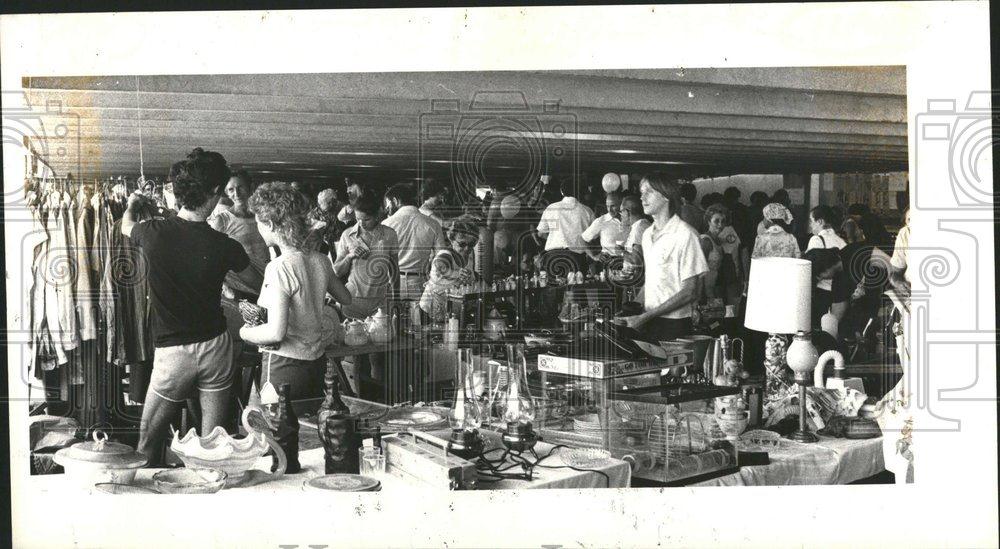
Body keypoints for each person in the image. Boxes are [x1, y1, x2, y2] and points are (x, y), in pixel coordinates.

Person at [123, 148, 250, 465]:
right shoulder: (225, 245)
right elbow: (255, 277)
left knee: (148, 441)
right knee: (214, 445)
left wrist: (133, 205)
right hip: (217, 348)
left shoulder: (149, 234)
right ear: (214, 193)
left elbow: (126, 225)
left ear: (178, 194)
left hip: (173, 354)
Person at [239, 183, 352, 400]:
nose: (258, 229)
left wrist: (244, 332)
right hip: (315, 362)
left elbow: (275, 332)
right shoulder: (320, 260)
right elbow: (346, 298)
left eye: (258, 224)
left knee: (279, 430)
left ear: (270, 224)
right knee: (310, 427)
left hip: (284, 365)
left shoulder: (279, 267)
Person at [616, 174, 708, 340]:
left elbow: (690, 291)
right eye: (641, 192)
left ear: (666, 196)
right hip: (649, 320)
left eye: (648, 192)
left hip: (674, 323)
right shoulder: (647, 235)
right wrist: (631, 310)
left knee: (674, 366)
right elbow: (652, 282)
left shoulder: (685, 234)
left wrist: (645, 316)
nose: (642, 197)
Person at [336, 190, 400, 318]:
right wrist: (350, 256)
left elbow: (394, 269)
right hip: (353, 300)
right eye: (358, 219)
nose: (361, 223)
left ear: (377, 216)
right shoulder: (347, 235)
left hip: (381, 301)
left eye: (367, 219)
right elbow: (337, 271)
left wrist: (396, 297)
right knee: (353, 336)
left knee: (383, 336)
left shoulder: (389, 234)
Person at [208, 169, 270, 298]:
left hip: (266, 278)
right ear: (226, 192)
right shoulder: (222, 220)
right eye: (231, 189)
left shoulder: (262, 216)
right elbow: (211, 258)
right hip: (240, 285)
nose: (236, 193)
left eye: (240, 187)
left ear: (250, 187)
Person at [382, 182, 446, 300]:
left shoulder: (386, 224)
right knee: (418, 317)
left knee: (392, 317)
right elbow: (441, 258)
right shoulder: (433, 224)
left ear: (395, 201)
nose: (387, 208)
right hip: (420, 283)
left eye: (388, 203)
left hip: (392, 282)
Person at [419, 216, 480, 323]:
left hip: (452, 310)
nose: (467, 248)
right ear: (452, 239)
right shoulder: (446, 254)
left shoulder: (469, 256)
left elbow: (472, 276)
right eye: (462, 244)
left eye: (471, 245)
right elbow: (440, 266)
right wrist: (456, 274)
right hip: (431, 310)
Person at [535, 178, 595, 274]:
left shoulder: (551, 208)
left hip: (553, 256)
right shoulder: (587, 211)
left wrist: (556, 237)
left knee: (554, 287)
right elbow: (592, 236)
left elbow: (540, 233)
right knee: (577, 287)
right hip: (577, 257)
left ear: (561, 192)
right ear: (578, 191)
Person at [805, 204, 848, 328]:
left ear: (820, 221)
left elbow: (811, 269)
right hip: (839, 295)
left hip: (821, 293)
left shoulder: (816, 240)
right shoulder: (841, 242)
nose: (810, 225)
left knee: (818, 329)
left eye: (811, 221)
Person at [699, 204, 744, 312]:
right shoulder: (706, 241)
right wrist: (701, 294)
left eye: (723, 221)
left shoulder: (718, 240)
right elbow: (699, 270)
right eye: (716, 221)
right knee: (711, 319)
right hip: (706, 288)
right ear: (709, 221)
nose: (720, 225)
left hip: (715, 287)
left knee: (717, 319)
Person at [582, 191, 626, 274]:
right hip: (609, 263)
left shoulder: (629, 219)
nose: (609, 210)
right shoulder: (601, 221)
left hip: (628, 262)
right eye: (607, 206)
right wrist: (594, 256)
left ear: (621, 203)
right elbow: (583, 239)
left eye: (613, 206)